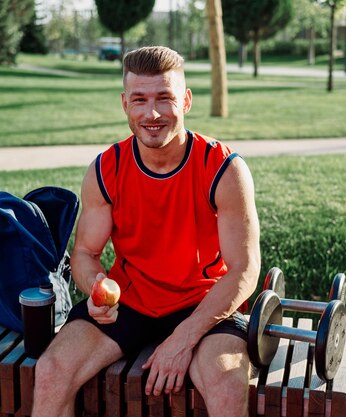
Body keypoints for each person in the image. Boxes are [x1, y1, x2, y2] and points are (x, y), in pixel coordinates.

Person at [32, 46, 261, 417]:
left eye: (164, 98)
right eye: (139, 99)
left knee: (226, 386)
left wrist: (182, 340)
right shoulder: (106, 168)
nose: (151, 113)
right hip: (131, 301)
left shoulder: (223, 169)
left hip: (204, 304)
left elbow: (245, 270)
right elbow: (85, 255)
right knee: (51, 372)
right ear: (125, 103)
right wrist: (96, 289)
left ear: (186, 101)